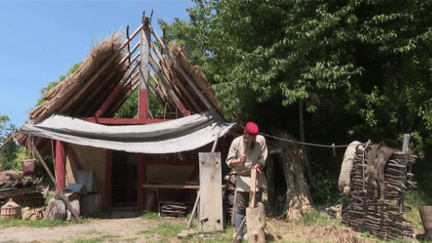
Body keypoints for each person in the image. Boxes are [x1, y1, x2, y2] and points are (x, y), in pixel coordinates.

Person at [226, 122, 268, 243]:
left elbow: (263, 157)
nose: (253, 138)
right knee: (240, 208)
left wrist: (258, 164)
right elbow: (229, 161)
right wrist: (239, 160)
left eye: (255, 136)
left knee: (259, 206)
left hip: (257, 177)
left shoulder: (261, 140)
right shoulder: (236, 142)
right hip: (242, 178)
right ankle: (239, 236)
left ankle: (258, 235)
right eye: (251, 136)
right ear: (245, 133)